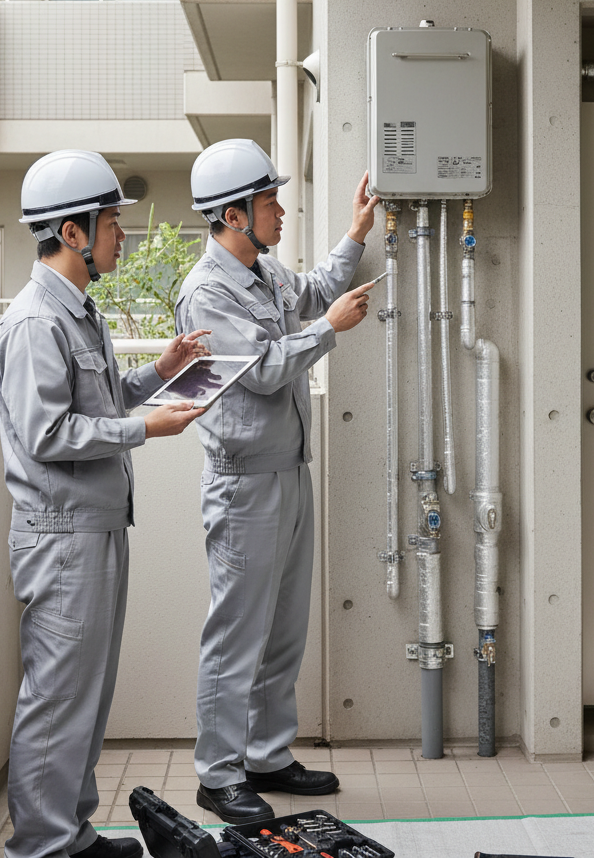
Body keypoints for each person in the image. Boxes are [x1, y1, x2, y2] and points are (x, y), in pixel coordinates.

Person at [0, 149, 210, 858]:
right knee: (56, 702)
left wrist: (161, 373)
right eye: (113, 223)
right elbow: (49, 433)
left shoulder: (77, 312)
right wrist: (147, 426)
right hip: (61, 535)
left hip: (94, 528)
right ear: (73, 232)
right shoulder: (34, 323)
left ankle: (72, 834)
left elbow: (99, 402)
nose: (124, 236)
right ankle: (43, 847)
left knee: (84, 697)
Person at [175, 138, 379, 824]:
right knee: (237, 633)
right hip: (244, 485)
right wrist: (328, 329)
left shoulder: (262, 272)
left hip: (288, 473)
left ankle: (265, 754)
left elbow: (313, 292)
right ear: (233, 215)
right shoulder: (207, 290)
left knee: (285, 628)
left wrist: (354, 235)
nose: (281, 210)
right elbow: (260, 369)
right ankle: (218, 773)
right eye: (269, 202)